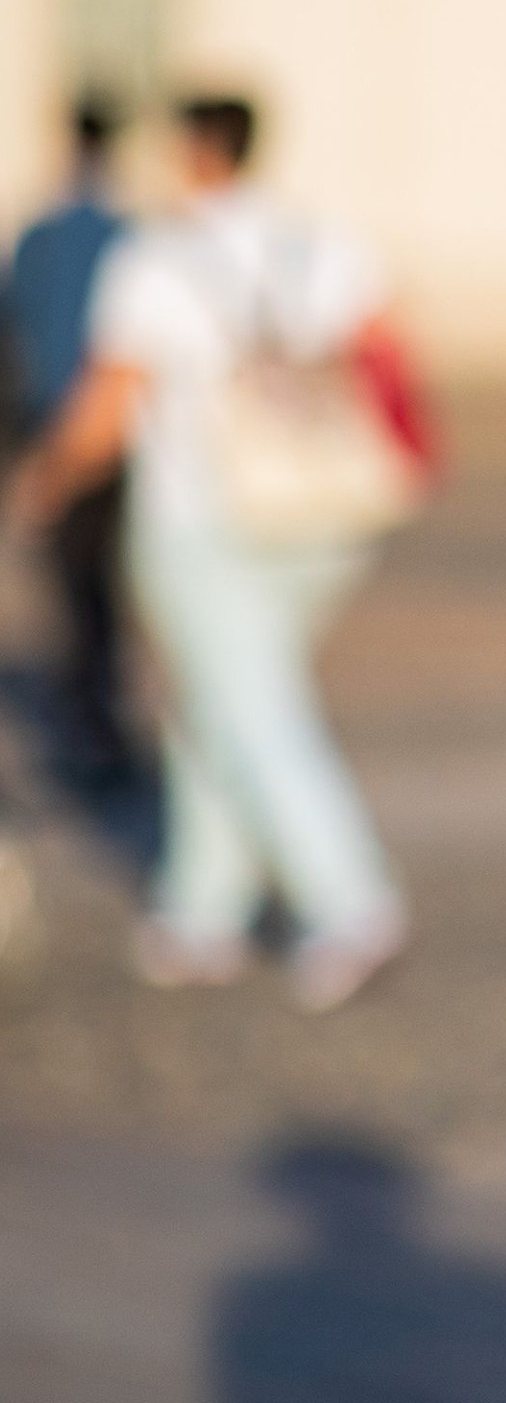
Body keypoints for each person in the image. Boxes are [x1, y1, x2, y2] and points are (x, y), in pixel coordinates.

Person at [4, 94, 414, 1010]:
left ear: (192, 153)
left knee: (254, 709)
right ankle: (203, 911)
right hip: (326, 517)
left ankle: (354, 904)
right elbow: (386, 353)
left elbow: (110, 403)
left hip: (205, 520)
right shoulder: (324, 243)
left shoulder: (153, 260)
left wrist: (45, 477)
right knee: (211, 704)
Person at [6, 92, 140, 801]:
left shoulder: (43, 235)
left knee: (73, 590)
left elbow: (12, 336)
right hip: (123, 441)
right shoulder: (133, 232)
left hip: (64, 429)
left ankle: (91, 722)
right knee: (105, 590)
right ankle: (101, 717)